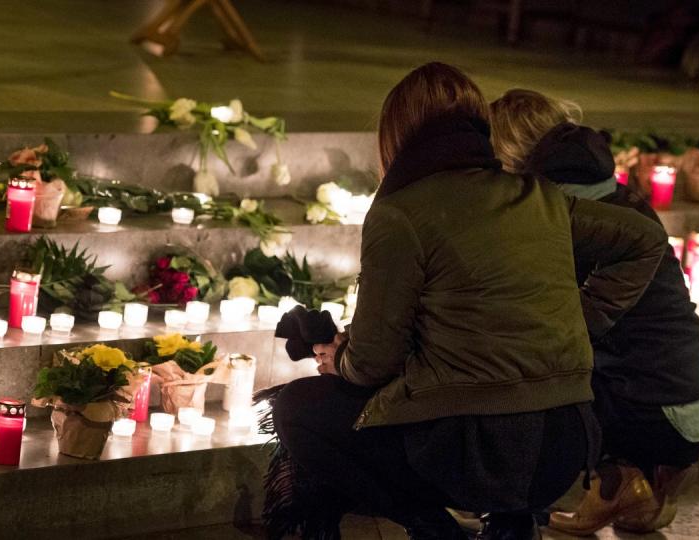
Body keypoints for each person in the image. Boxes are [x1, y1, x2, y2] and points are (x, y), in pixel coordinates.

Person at [270, 62, 669, 540]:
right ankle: (512, 524)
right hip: (567, 444)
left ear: (396, 134)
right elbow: (645, 238)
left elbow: (375, 361)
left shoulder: (402, 212)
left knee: (299, 407)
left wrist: (340, 361)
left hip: (475, 451)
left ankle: (434, 529)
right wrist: (581, 323)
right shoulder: (536, 196)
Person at [489, 88, 699, 535]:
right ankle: (644, 491)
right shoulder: (615, 194)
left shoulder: (560, 214)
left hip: (651, 409)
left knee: (529, 362)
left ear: (510, 157)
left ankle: (611, 482)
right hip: (693, 393)